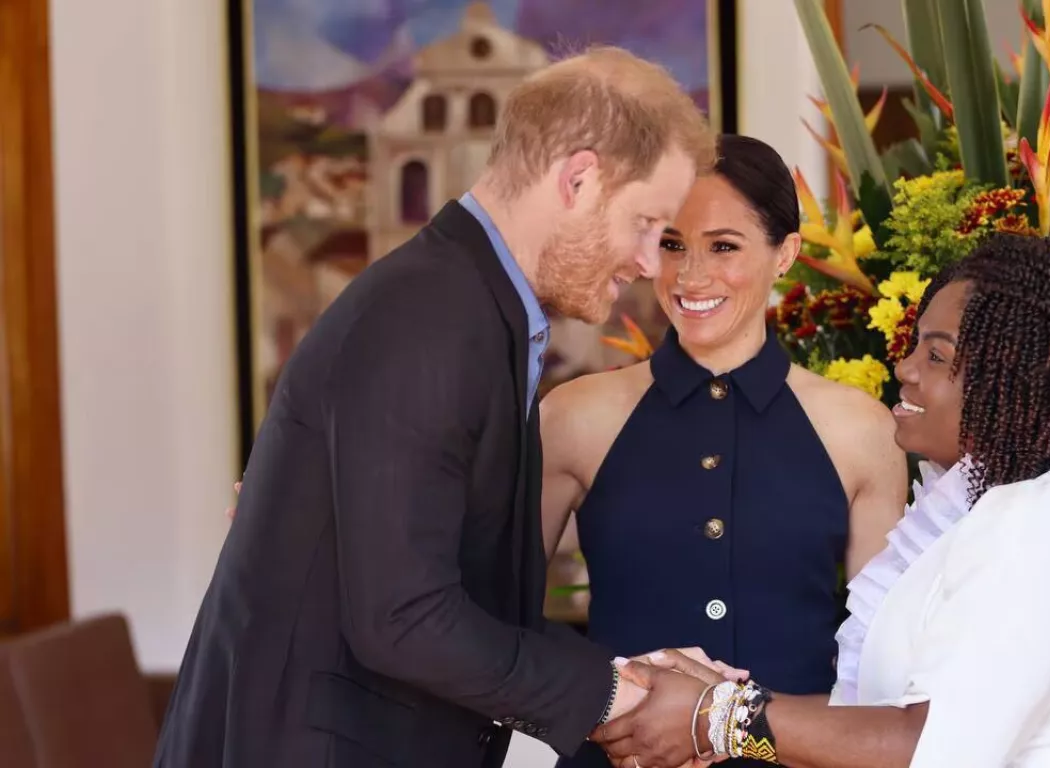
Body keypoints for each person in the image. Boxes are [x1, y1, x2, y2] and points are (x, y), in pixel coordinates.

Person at [153, 46, 716, 768]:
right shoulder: (430, 317)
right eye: (646, 224)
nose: (648, 263)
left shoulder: (472, 308)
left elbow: (447, 592)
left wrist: (626, 677)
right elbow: (403, 618)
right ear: (579, 180)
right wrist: (617, 696)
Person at [594, 233, 1050, 767]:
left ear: (1012, 379)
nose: (906, 368)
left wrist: (718, 717)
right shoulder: (986, 513)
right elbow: (879, 725)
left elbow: (927, 749)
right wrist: (718, 713)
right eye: (916, 346)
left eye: (937, 356)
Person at [539, 134, 907, 768]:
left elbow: (879, 670)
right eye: (672, 245)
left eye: (724, 247)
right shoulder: (574, 416)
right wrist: (611, 704)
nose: (692, 276)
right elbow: (496, 622)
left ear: (785, 253)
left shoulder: (861, 430)